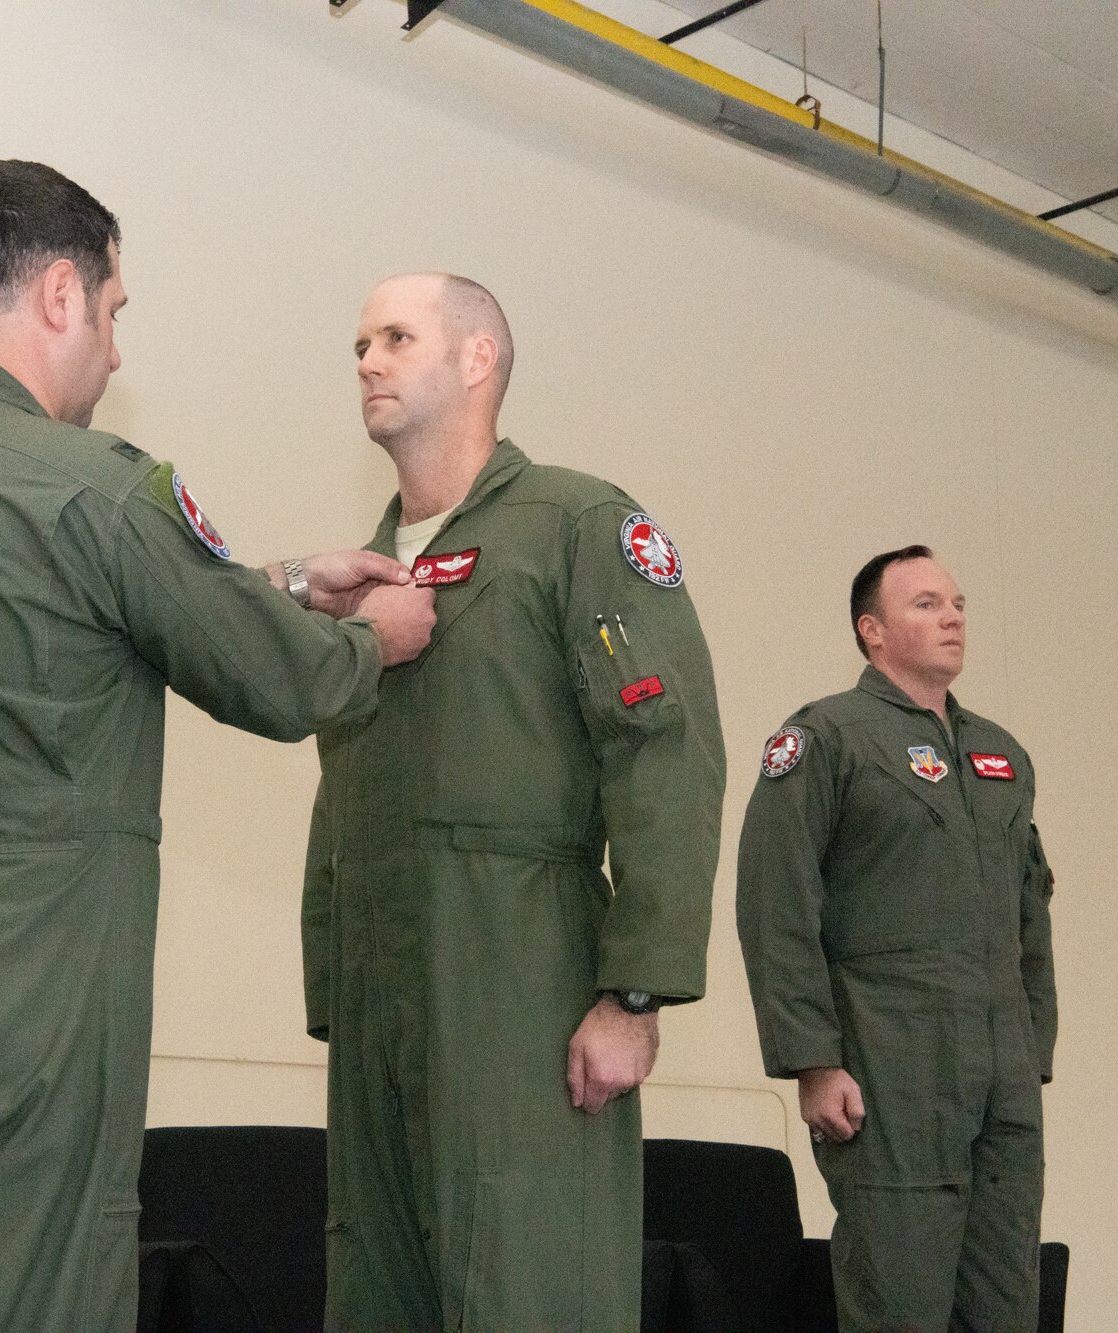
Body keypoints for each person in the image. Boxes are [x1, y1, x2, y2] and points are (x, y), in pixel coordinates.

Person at [0, 159, 435, 1333]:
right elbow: (273, 681)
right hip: (18, 1009)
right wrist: (369, 638)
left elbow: (58, 615)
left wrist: (279, 580)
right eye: (117, 313)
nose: (117, 353)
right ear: (63, 293)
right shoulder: (93, 487)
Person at [301, 273, 726, 1331]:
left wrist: (634, 992)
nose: (366, 359)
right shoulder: (361, 570)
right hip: (380, 985)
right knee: (377, 1285)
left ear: (478, 359)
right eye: (358, 342)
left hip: (518, 967)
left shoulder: (575, 523)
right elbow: (346, 784)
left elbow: (663, 747)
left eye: (396, 336)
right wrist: (334, 978)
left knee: (529, 1277)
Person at [736, 545, 1057, 1332]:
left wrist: (1033, 1043)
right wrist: (813, 1058)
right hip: (892, 1069)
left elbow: (1030, 912)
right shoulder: (827, 737)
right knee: (900, 1304)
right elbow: (776, 902)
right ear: (871, 630)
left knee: (1006, 1305)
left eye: (957, 602)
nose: (951, 616)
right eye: (925, 604)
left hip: (1001, 1078)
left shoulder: (1002, 755)